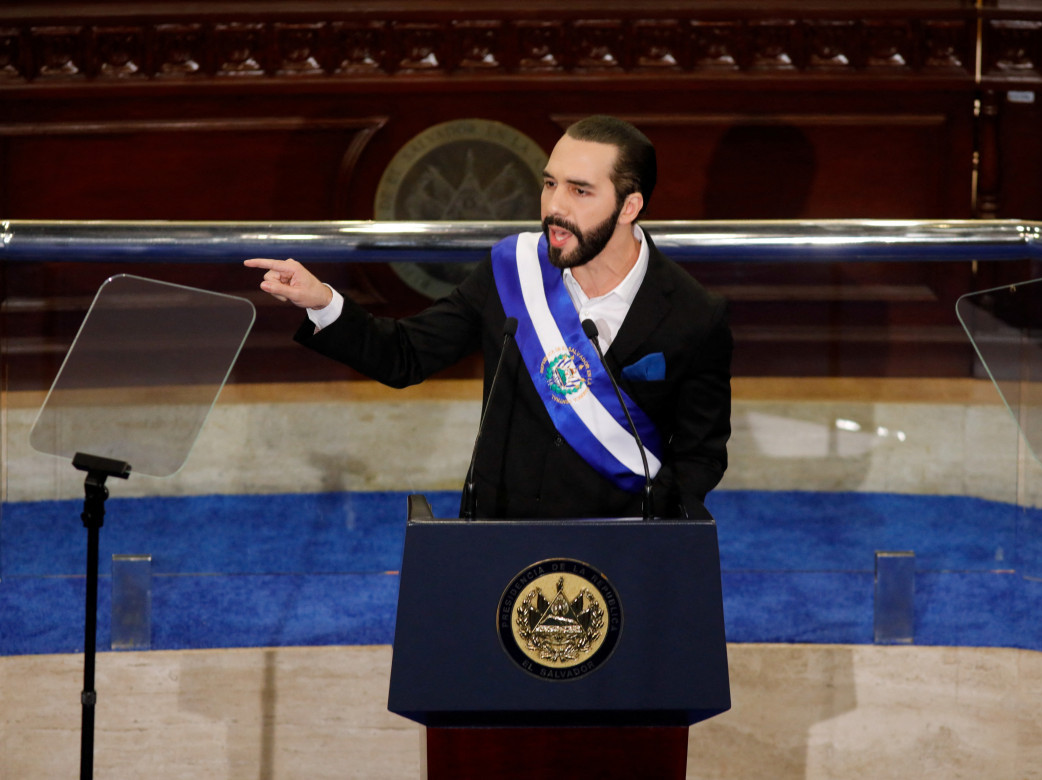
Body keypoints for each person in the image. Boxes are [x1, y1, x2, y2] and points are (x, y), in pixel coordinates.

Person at [245, 115, 731, 520]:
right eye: (549, 184)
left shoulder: (694, 315)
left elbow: (700, 455)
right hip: (499, 540)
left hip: (620, 546)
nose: (554, 206)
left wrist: (655, 537)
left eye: (580, 191)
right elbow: (404, 356)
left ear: (630, 206)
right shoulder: (511, 271)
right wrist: (323, 301)